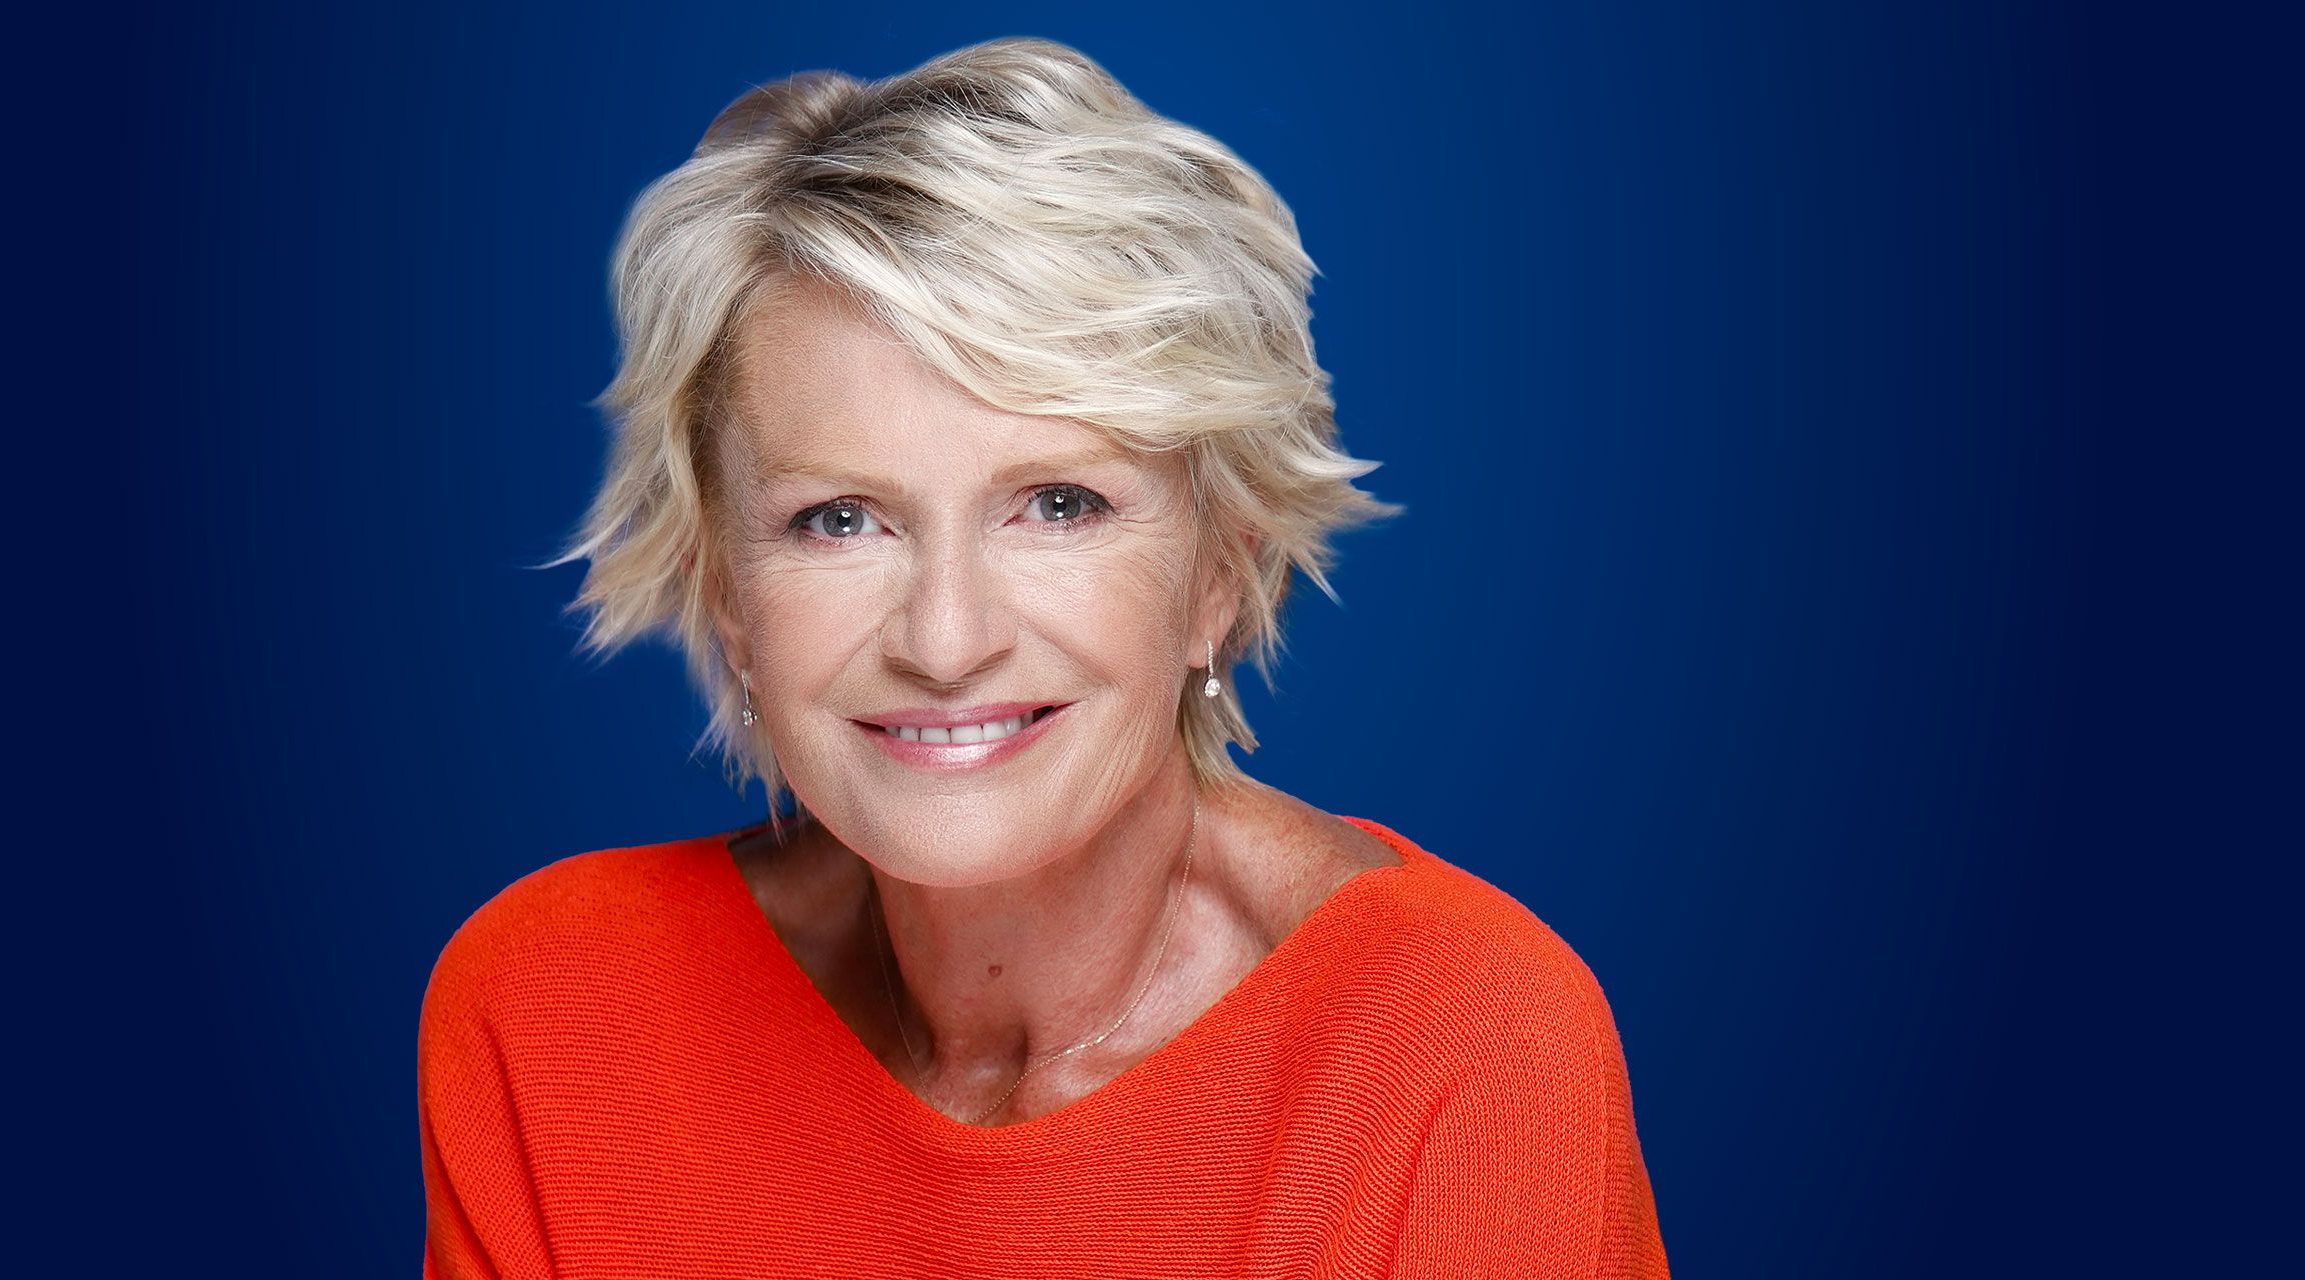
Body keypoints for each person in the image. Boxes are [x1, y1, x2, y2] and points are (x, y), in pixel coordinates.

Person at [419, 36, 1666, 1278]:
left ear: (1217, 575)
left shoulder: (1461, 1043)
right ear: (728, 594)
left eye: (1059, 504)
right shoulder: (554, 1009)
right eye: (839, 519)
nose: (945, 639)